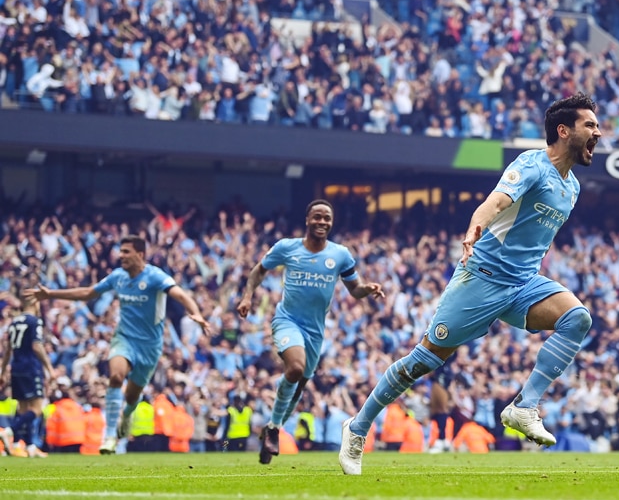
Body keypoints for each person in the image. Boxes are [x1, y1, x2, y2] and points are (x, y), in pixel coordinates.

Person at [338, 92, 602, 476]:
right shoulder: (532, 164)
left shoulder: (571, 187)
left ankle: (524, 406)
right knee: (422, 362)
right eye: (590, 125)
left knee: (577, 318)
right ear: (564, 130)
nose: (598, 132)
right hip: (482, 278)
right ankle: (357, 428)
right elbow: (494, 203)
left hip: (523, 283)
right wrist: (473, 229)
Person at [24, 235, 209, 454]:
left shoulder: (155, 276)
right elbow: (88, 292)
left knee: (132, 395)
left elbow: (179, 293)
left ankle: (127, 415)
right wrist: (51, 294)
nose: (120, 255)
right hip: (124, 338)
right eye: (120, 251)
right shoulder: (118, 277)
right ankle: (110, 434)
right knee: (115, 376)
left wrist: (196, 313)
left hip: (150, 346)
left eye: (126, 252)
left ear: (140, 255)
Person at [237, 199, 385, 465]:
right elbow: (258, 271)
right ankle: (272, 428)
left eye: (327, 218)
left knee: (300, 385)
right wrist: (248, 296)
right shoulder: (287, 248)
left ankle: (273, 430)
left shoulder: (340, 254)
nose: (322, 222)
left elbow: (355, 289)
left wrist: (368, 289)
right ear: (307, 220)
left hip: (315, 331)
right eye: (317, 217)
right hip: (288, 320)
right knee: (294, 368)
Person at [0, 287, 55, 457]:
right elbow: (37, 346)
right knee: (37, 409)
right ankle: (9, 431)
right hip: (31, 368)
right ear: (35, 303)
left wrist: (3, 372)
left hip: (16, 368)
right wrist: (50, 368)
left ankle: (28, 446)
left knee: (24, 409)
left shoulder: (14, 322)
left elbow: (8, 349)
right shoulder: (34, 321)